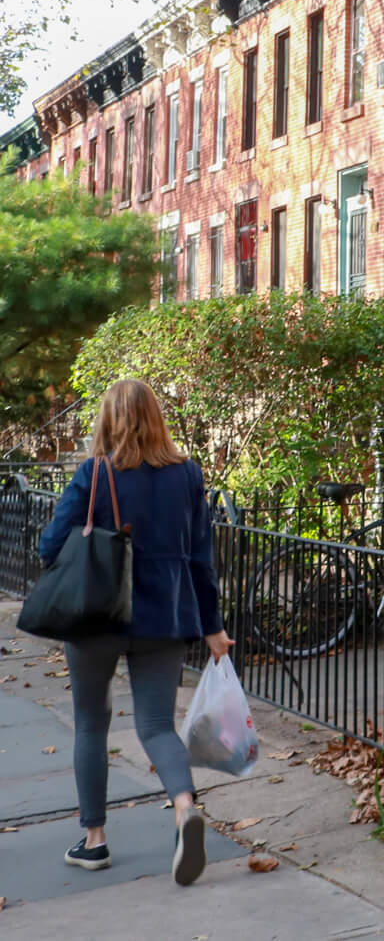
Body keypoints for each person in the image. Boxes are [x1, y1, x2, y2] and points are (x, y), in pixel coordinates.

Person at [38, 378, 231, 887]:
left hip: (97, 616)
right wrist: (212, 626)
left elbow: (50, 546)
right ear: (157, 417)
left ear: (108, 419)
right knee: (156, 726)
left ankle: (95, 842)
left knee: (90, 723)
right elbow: (201, 560)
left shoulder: (94, 473)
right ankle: (184, 807)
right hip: (165, 615)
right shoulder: (187, 475)